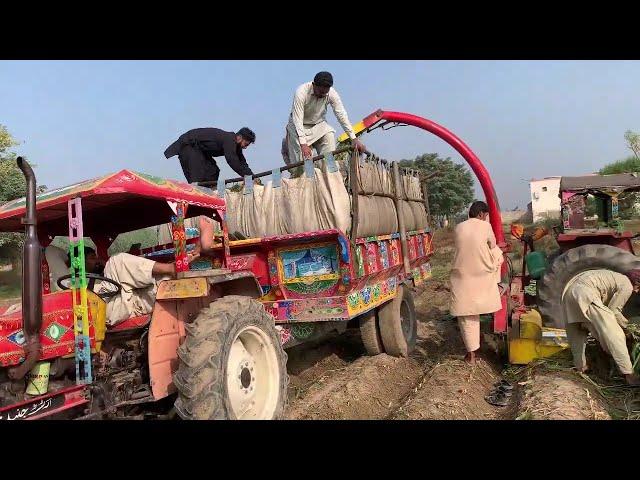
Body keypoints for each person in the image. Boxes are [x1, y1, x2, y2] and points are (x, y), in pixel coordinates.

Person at [562, 268, 640, 385]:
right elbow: (614, 310)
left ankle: (581, 368)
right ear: (637, 283)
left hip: (568, 292)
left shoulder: (615, 277)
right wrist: (629, 327)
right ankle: (629, 374)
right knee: (614, 334)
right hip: (585, 293)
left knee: (576, 333)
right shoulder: (627, 284)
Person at [449, 201, 504, 365]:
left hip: (462, 277)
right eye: (486, 216)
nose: (486, 219)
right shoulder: (485, 227)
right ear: (481, 215)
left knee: (467, 317)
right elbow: (493, 245)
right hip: (482, 276)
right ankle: (498, 284)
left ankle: (471, 355)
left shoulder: (458, 227)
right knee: (497, 254)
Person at [283, 71, 365, 166]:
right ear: (314, 85)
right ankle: (305, 176)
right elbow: (298, 119)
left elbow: (341, 115)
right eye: (320, 92)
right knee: (302, 164)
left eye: (325, 93)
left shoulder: (331, 93)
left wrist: (353, 138)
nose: (321, 95)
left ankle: (330, 172)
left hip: (319, 124)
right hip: (298, 127)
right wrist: (304, 145)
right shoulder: (301, 92)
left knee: (329, 136)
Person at [164, 127, 256, 185]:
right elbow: (232, 160)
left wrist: (252, 177)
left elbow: (242, 163)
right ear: (239, 137)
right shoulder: (229, 140)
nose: (245, 147)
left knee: (213, 171)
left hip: (201, 151)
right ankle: (197, 196)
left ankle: (208, 192)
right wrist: (246, 176)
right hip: (189, 145)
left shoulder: (235, 146)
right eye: (246, 144)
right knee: (198, 177)